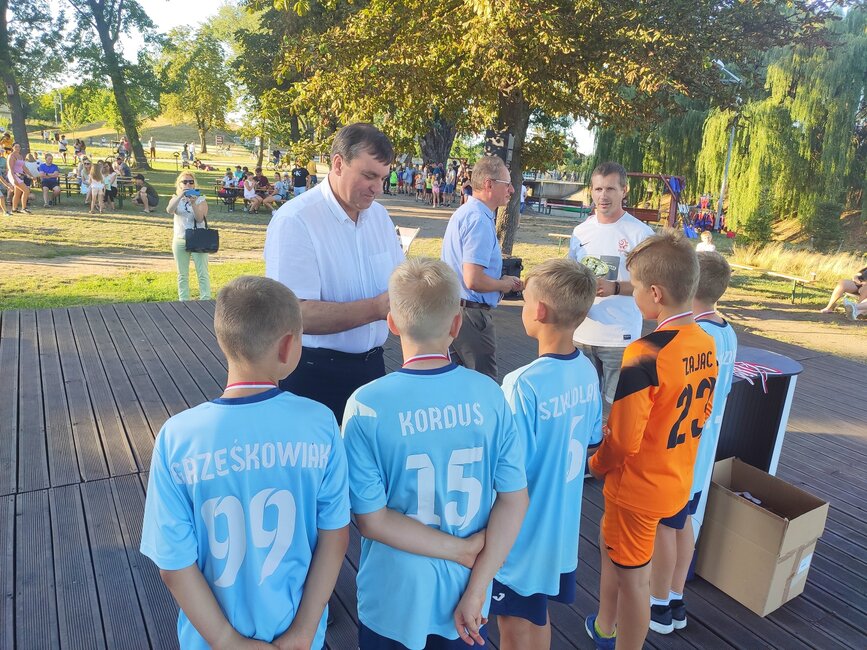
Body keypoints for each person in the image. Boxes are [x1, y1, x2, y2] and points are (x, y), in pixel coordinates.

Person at [140, 275, 350, 650]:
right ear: (287, 346)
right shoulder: (320, 424)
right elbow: (335, 536)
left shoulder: (177, 437)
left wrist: (228, 641)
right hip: (298, 638)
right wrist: (304, 632)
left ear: (224, 340)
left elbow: (173, 565)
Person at [342, 257, 529, 650]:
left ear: (392, 324)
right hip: (467, 595)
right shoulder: (489, 395)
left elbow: (371, 520)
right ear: (456, 324)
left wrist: (458, 551)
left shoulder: (367, 404)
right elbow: (514, 500)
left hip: (393, 600)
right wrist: (477, 584)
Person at [585, 231, 717, 650]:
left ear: (655, 294)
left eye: (637, 287)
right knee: (614, 551)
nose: (635, 294)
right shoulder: (706, 341)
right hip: (677, 478)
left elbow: (623, 440)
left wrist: (595, 464)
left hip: (637, 490)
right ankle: (604, 625)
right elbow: (704, 411)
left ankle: (620, 638)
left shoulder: (645, 352)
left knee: (635, 582)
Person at [491, 259, 602, 650]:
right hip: (561, 528)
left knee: (512, 626)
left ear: (538, 311)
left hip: (523, 535)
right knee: (537, 617)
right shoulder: (586, 370)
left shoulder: (522, 384)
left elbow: (507, 469)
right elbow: (592, 438)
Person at [264, 122, 404, 424]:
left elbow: (400, 281)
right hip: (314, 375)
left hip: (373, 369)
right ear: (338, 164)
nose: (378, 188)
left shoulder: (379, 216)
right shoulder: (295, 220)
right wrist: (377, 308)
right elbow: (294, 315)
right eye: (369, 176)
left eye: (382, 177)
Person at [648, 250, 737, 635]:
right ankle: (675, 597)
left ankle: (657, 605)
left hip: (681, 450)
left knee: (664, 528)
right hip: (703, 448)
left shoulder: (695, 338)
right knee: (682, 523)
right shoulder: (726, 331)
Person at [568, 162, 654, 408]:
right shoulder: (581, 231)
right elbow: (570, 275)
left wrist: (615, 288)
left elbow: (651, 285)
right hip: (580, 336)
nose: (603, 196)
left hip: (620, 338)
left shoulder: (641, 234)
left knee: (620, 410)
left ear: (624, 191)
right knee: (583, 407)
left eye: (610, 189)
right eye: (598, 189)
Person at [441, 155, 522, 380]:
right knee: (484, 383)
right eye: (507, 184)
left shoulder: (465, 213)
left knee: (456, 381)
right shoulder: (479, 220)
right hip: (472, 316)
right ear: (489, 184)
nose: (512, 190)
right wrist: (504, 284)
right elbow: (473, 280)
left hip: (454, 309)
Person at [166, 172, 211, 300]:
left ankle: (205, 299)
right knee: (182, 273)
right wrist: (181, 196)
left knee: (202, 272)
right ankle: (183, 300)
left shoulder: (201, 199)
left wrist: (193, 203)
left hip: (198, 238)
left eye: (191, 182)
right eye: (184, 182)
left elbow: (200, 219)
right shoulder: (175, 198)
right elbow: (169, 210)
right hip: (180, 239)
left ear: (194, 184)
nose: (188, 184)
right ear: (179, 184)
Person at [6, 143, 33, 213]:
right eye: (16, 147)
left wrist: (31, 175)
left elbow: (24, 167)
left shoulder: (20, 156)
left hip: (20, 175)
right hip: (14, 175)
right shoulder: (11, 156)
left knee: (18, 193)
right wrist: (14, 179)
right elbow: (10, 169)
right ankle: (24, 208)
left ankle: (14, 208)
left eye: (19, 147)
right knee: (26, 190)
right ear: (12, 147)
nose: (18, 148)